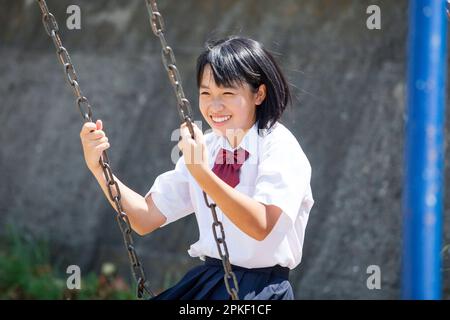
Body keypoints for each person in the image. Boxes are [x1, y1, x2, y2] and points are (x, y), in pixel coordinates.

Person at [79, 36, 314, 300]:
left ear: (258, 94)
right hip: (211, 279)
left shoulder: (279, 147)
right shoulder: (208, 147)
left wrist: (203, 173)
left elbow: (261, 225)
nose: (214, 107)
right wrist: (100, 169)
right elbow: (145, 218)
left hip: (260, 289)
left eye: (227, 93)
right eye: (206, 93)